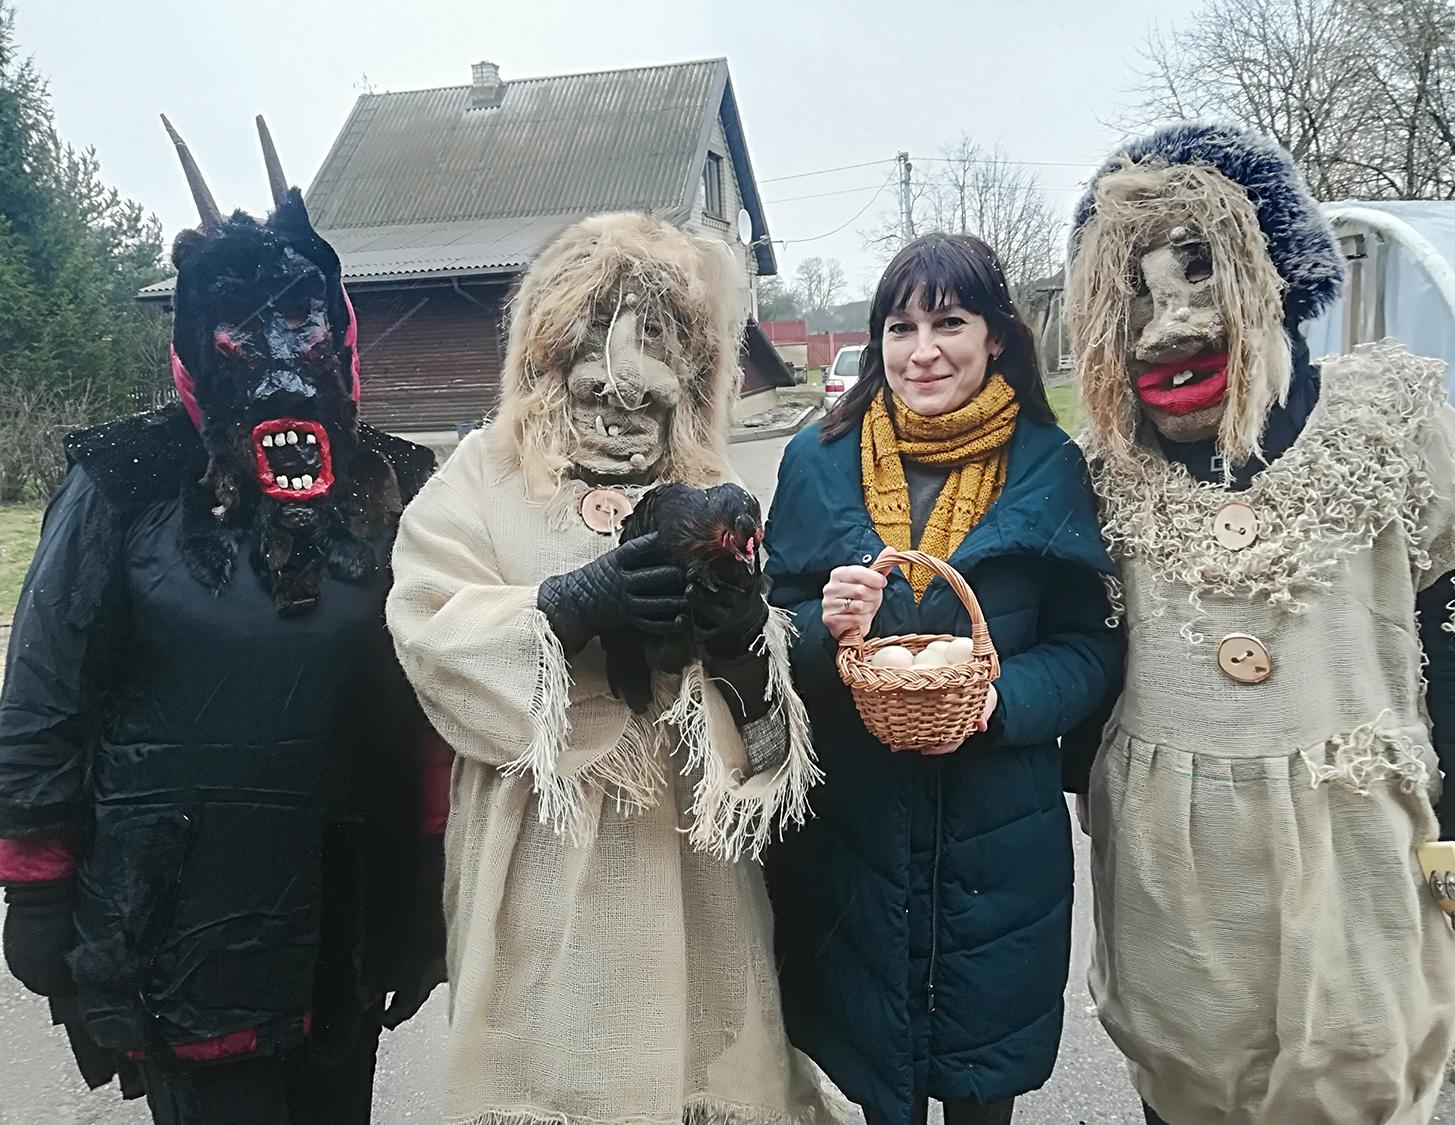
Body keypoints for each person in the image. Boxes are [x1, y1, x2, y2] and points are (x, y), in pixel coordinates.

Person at [0, 118, 446, 1124]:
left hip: (344, 913)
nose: (286, 350)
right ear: (200, 335)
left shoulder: (393, 482)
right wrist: (36, 885)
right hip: (182, 920)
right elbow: (45, 692)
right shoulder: (126, 480)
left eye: (305, 319)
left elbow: (427, 696)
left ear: (341, 326)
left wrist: (427, 877)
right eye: (249, 324)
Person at [1063, 122, 1455, 1125]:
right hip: (1177, 858)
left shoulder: (1383, 426)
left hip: (1358, 838)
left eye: (1201, 270)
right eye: (1134, 293)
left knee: (1358, 1061)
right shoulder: (1106, 473)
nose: (1170, 323)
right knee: (1190, 1068)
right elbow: (1087, 641)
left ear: (1274, 269)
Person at [385, 212, 825, 1125]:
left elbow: (764, 745)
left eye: (651, 388)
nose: (622, 408)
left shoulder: (709, 485)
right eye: (597, 378)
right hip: (537, 881)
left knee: (701, 1082)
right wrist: (566, 608)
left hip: (693, 890)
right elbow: (427, 625)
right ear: (550, 357)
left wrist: (744, 637)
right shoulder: (481, 475)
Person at [763, 233, 1122, 1123]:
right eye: (900, 325)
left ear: (997, 335)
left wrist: (1001, 703)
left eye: (949, 322)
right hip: (858, 832)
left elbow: (1093, 649)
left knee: (980, 1082)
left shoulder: (1048, 465)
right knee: (876, 1076)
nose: (921, 351)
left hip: (996, 845)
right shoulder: (817, 460)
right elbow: (760, 632)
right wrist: (823, 627)